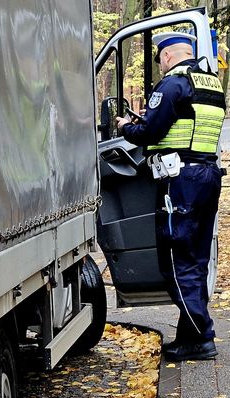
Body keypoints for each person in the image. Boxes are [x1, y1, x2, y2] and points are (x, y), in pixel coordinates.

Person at [116, 31, 226, 362]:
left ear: (166, 57)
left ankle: (203, 337)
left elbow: (150, 131)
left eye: (159, 59)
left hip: (180, 181)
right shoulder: (211, 85)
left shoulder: (172, 84)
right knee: (195, 259)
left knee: (176, 262)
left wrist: (124, 126)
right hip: (207, 176)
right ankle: (188, 337)